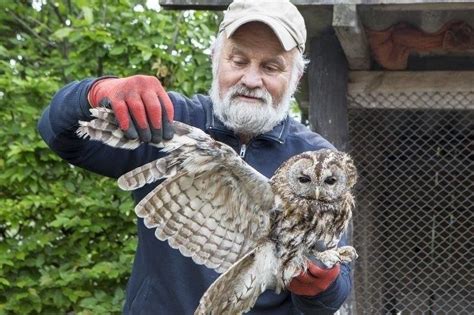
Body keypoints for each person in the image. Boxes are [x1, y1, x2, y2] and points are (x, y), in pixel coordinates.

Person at [38, 0, 353, 314]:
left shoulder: (317, 161)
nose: (252, 80)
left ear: (296, 77)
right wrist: (98, 91)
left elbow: (333, 290)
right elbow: (62, 136)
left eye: (271, 67)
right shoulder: (171, 121)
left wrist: (321, 285)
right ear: (216, 59)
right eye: (239, 60)